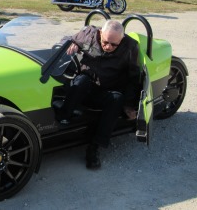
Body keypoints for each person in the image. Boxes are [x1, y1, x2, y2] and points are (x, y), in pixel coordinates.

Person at [55, 20, 141, 170]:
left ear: (122, 39)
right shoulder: (89, 34)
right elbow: (65, 40)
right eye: (105, 42)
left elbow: (133, 78)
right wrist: (71, 43)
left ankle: (94, 148)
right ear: (101, 33)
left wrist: (129, 105)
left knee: (117, 98)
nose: (108, 47)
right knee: (81, 81)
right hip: (85, 86)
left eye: (114, 44)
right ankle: (63, 116)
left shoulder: (130, 47)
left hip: (106, 91)